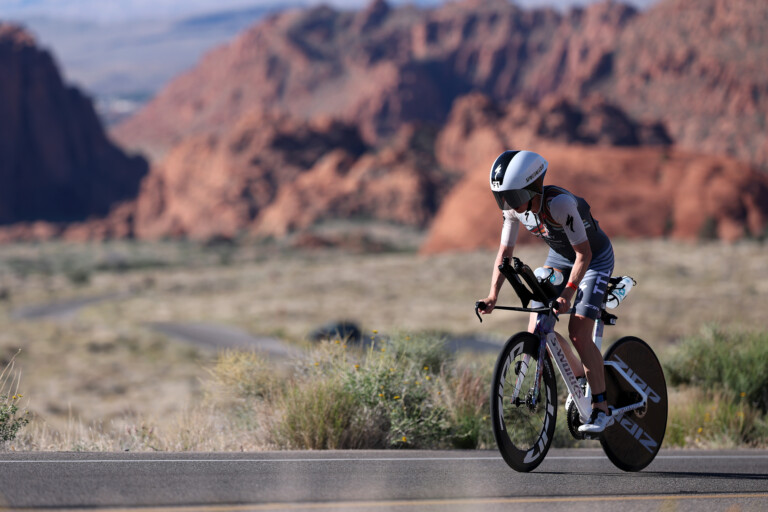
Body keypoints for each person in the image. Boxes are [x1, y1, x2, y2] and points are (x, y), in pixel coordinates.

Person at [479, 150, 615, 433]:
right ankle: (579, 378)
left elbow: (584, 254)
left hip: (593, 259)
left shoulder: (559, 205)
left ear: (532, 187)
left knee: (578, 332)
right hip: (561, 257)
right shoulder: (514, 209)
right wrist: (493, 295)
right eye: (502, 198)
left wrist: (568, 293)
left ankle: (602, 407)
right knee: (538, 325)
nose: (508, 205)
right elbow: (504, 255)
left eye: (512, 197)